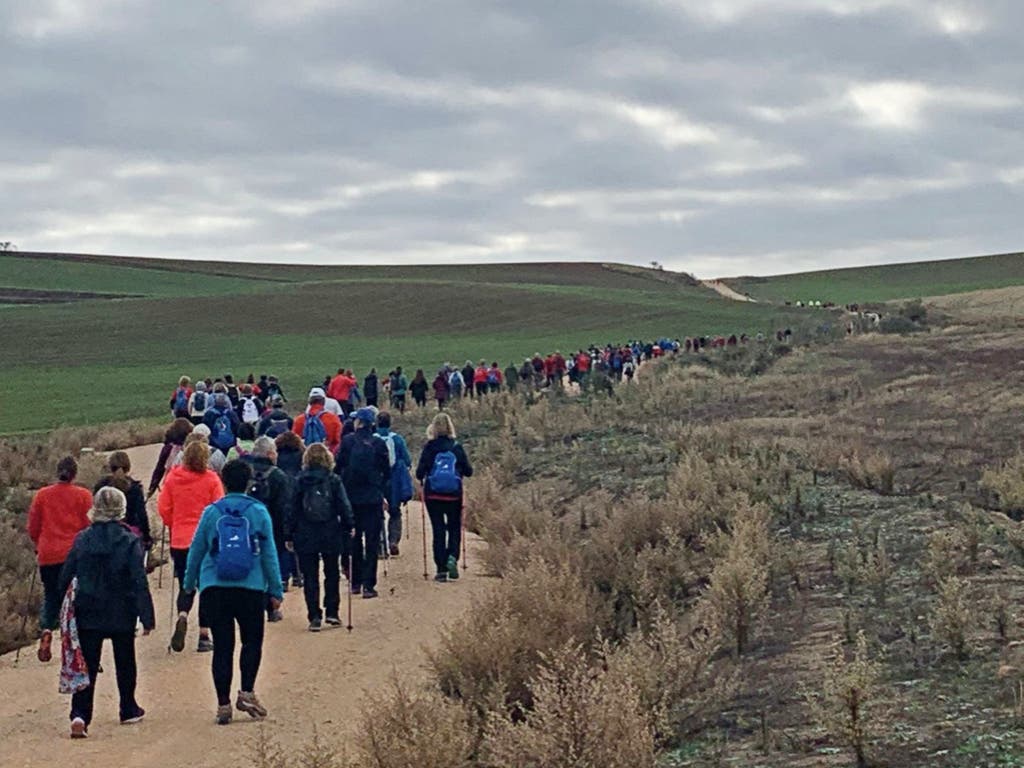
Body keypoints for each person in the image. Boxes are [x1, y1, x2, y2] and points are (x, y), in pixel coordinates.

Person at [182, 460, 283, 725]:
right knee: (252, 641)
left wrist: (190, 583)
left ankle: (223, 704)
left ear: (223, 482)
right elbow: (269, 553)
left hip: (215, 586)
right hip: (250, 586)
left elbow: (196, 550)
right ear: (249, 482)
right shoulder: (258, 512)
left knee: (223, 646)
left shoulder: (212, 513)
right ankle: (247, 691)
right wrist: (275, 589)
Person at [59, 487, 155, 739]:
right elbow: (138, 580)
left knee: (87, 664)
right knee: (125, 660)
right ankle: (128, 707)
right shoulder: (129, 540)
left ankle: (80, 714)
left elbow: (66, 574)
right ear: (121, 509)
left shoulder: (82, 539)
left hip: (88, 609)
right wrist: (146, 615)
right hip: (121, 609)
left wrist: (62, 604)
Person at [158, 440, 223, 653]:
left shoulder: (173, 479)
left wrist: (173, 522)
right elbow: (218, 510)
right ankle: (204, 635)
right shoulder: (212, 479)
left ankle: (183, 614)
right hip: (205, 540)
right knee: (207, 586)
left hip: (180, 539)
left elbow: (164, 508)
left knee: (186, 583)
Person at [27, 456, 92, 663]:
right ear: (75, 474)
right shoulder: (83, 495)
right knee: (76, 601)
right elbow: (88, 526)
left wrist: (39, 544)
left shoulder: (42, 495)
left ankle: (47, 629)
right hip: (73, 555)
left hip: (48, 554)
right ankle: (75, 645)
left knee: (51, 595)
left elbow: (33, 527)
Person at [286, 443, 353, 631]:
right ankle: (332, 612)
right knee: (331, 572)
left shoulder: (299, 481)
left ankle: (314, 616)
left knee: (310, 576)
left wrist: (289, 533)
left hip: (305, 533)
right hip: (330, 531)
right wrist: (349, 525)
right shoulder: (333, 480)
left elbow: (291, 509)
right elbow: (343, 505)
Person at [336, 408, 390, 599]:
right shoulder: (378, 443)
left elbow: (337, 466)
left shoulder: (348, 441)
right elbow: (387, 471)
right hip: (373, 498)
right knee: (373, 541)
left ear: (358, 422)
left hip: (351, 498)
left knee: (354, 539)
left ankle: (356, 582)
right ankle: (369, 585)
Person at [416, 413, 473, 582]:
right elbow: (469, 471)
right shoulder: (456, 447)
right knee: (454, 527)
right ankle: (452, 557)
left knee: (438, 530)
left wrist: (422, 478)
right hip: (454, 495)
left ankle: (441, 570)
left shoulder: (430, 447)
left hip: (433, 494)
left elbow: (420, 472)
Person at [246, 437, 293, 621]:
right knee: (271, 566)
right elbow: (285, 507)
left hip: (247, 527)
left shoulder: (245, 471)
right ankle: (272, 607)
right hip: (273, 527)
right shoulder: (278, 475)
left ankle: (253, 603)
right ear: (270, 454)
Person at [94, 451, 152, 552]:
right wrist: (147, 537)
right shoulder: (135, 487)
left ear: (111, 467)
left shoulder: (101, 486)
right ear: (128, 467)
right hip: (130, 533)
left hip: (103, 532)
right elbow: (142, 515)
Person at [375, 411, 413, 556]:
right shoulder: (397, 439)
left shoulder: (373, 439)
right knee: (395, 512)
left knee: (377, 513)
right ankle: (393, 541)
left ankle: (380, 545)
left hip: (378, 480)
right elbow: (407, 460)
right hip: (395, 480)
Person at [148, 418, 194, 496]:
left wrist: (152, 486)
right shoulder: (192, 447)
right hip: (190, 482)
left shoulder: (168, 448)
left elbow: (159, 468)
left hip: (171, 482)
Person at [292, 388, 343, 454]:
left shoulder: (299, 420)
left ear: (309, 401)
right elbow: (337, 440)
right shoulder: (333, 419)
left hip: (305, 456)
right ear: (324, 401)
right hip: (327, 456)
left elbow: (294, 440)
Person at [203, 387, 241, 457]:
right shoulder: (231, 414)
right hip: (230, 443)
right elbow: (237, 427)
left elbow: (206, 429)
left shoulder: (209, 414)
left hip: (214, 444)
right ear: (226, 403)